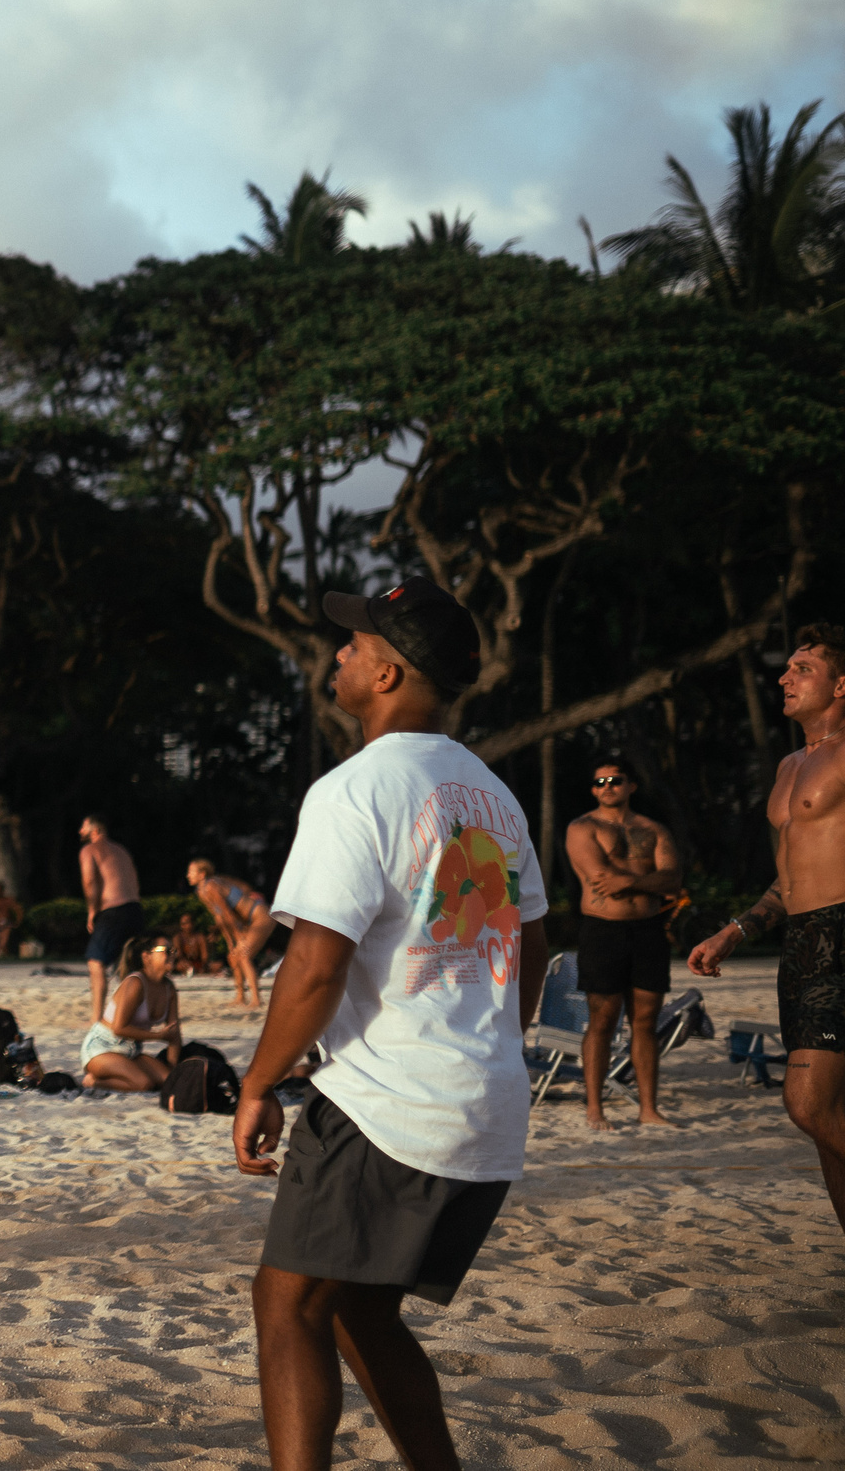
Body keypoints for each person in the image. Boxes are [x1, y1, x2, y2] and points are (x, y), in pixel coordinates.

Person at [235, 576, 547, 1471]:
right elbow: (528, 944)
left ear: (390, 671)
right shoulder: (492, 794)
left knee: (288, 1305)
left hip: (388, 1101)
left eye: (355, 643)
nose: (340, 652)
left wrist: (259, 1083)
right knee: (360, 1308)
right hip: (487, 1104)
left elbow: (315, 964)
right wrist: (487, 1044)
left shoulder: (354, 790)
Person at [689, 622, 845, 1237]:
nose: (784, 676)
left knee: (806, 1104)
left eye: (802, 668)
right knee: (828, 1123)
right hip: (800, 944)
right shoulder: (788, 766)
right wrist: (734, 931)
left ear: (841, 683)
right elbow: (788, 881)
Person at [566, 760, 684, 1128]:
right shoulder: (582, 827)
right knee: (602, 1020)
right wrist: (648, 879)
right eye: (599, 781)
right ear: (593, 790)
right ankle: (594, 1108)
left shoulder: (654, 829)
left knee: (645, 1021)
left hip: (649, 931)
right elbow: (600, 877)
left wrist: (629, 882)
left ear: (631, 786)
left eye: (614, 780)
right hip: (604, 930)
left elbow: (673, 880)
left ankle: (648, 1109)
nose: (607, 786)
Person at [81, 936, 184, 1091]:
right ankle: (93, 1081)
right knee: (143, 1083)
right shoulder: (135, 983)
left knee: (170, 1081)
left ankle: (122, 1072)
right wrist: (159, 1036)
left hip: (131, 1051)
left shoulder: (169, 988)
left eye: (173, 950)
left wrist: (171, 1068)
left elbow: (174, 1034)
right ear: (146, 956)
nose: (172, 954)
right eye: (166, 950)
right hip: (102, 1048)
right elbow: (119, 1029)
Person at [190, 858, 278, 1008]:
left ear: (202, 874)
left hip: (260, 915)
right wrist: (230, 943)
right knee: (232, 956)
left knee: (243, 955)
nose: (188, 875)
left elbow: (228, 914)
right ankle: (240, 997)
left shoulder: (211, 886)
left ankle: (256, 999)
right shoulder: (201, 891)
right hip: (246, 921)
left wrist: (239, 939)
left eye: (191, 872)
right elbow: (220, 918)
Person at [79, 816, 143, 1023]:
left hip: (113, 910)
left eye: (83, 826)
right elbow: (134, 880)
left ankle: (97, 1017)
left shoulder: (89, 850)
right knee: (126, 964)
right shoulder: (121, 850)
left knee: (95, 963)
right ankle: (130, 1013)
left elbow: (90, 881)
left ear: (94, 829)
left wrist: (92, 911)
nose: (80, 830)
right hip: (134, 909)